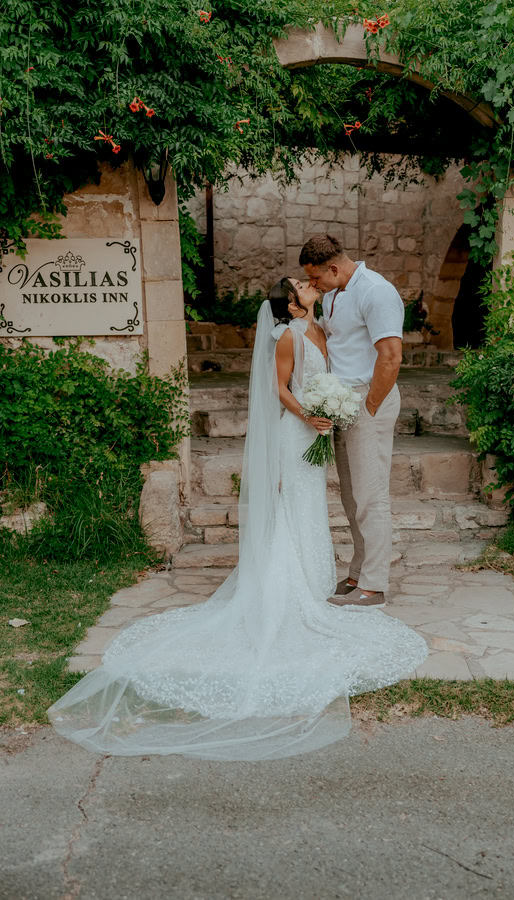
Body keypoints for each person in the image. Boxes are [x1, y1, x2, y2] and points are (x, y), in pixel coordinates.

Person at [47, 278, 427, 762]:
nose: (310, 286)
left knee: (311, 506)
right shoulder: (287, 337)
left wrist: (333, 403)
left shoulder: (321, 328)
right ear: (291, 304)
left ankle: (313, 581)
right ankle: (287, 586)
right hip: (298, 430)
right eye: (301, 286)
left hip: (319, 427)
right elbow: (279, 389)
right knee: (292, 502)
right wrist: (312, 414)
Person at [300, 234, 403, 610]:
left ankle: (374, 586)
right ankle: (359, 573)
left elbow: (390, 356)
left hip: (367, 401)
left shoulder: (376, 291)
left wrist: (370, 406)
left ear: (333, 267)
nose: (313, 286)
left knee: (371, 497)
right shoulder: (333, 294)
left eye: (316, 279)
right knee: (351, 497)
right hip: (342, 403)